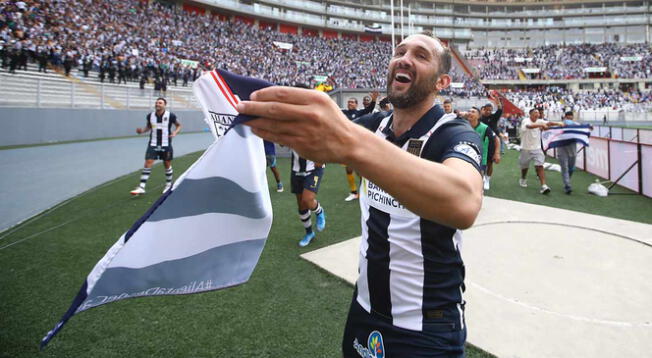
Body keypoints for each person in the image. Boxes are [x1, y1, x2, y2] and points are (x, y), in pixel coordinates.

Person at [238, 32, 483, 357]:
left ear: (442, 82)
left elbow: (464, 202)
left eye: (421, 55)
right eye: (400, 51)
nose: (404, 58)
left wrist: (353, 144)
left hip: (426, 325)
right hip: (365, 308)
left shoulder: (453, 132)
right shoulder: (375, 126)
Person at [130, 98, 181, 195]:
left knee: (166, 164)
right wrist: (142, 131)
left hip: (166, 143)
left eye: (160, 103)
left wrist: (175, 132)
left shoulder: (171, 115)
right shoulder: (150, 116)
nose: (157, 104)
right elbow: (149, 127)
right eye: (157, 102)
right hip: (153, 143)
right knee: (148, 162)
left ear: (165, 105)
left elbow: (179, 125)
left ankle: (168, 184)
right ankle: (141, 187)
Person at [341, 91, 379, 201]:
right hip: (347, 144)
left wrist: (374, 100)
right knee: (349, 169)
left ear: (356, 104)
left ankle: (365, 190)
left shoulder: (359, 113)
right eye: (349, 102)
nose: (350, 103)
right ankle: (354, 192)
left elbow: (369, 110)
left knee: (359, 170)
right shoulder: (343, 112)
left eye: (352, 102)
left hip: (358, 143)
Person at [518, 108, 561, 194]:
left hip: (537, 148)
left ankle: (543, 186)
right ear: (530, 114)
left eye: (538, 113)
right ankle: (523, 178)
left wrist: (558, 123)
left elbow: (548, 123)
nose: (537, 114)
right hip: (525, 148)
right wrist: (540, 126)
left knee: (540, 165)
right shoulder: (526, 121)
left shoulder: (540, 121)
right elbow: (529, 126)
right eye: (535, 112)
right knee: (524, 167)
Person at [290, 148, 326, 247]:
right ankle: (309, 233)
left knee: (307, 199)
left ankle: (319, 211)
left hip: (314, 168)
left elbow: (326, 138)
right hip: (296, 169)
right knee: (301, 205)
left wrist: (322, 157)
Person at [464, 107, 497, 186]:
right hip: (465, 156)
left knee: (478, 181)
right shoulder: (463, 125)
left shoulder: (485, 128)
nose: (470, 113)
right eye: (469, 111)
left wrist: (497, 153)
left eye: (473, 112)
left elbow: (496, 139)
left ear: (478, 116)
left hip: (480, 158)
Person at [479, 95, 503, 190]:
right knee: (480, 161)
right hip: (481, 142)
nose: (488, 111)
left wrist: (498, 102)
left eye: (490, 110)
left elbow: (500, 110)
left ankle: (487, 180)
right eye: (487, 109)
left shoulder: (494, 117)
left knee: (490, 163)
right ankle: (480, 178)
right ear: (483, 109)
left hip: (492, 143)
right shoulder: (480, 118)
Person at [557, 111, 580, 194]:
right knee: (565, 168)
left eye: (571, 117)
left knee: (571, 168)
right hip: (562, 149)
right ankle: (567, 185)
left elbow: (584, 128)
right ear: (565, 117)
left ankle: (567, 181)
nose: (569, 119)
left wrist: (589, 127)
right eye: (568, 117)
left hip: (572, 149)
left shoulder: (576, 125)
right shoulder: (560, 125)